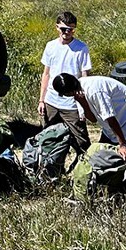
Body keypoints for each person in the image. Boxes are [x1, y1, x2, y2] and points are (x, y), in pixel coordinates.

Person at [50, 72, 126, 162]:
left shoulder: (95, 91)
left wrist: (122, 145)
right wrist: (83, 103)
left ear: (69, 92)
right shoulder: (78, 93)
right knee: (101, 157)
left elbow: (110, 118)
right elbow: (93, 119)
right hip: (111, 126)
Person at [37, 11, 93, 151]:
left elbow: (85, 78)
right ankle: (52, 167)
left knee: (82, 141)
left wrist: (83, 106)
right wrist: (42, 100)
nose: (67, 32)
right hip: (51, 101)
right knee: (49, 137)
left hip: (72, 103)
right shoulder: (50, 46)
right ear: (57, 27)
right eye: (63, 29)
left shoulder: (81, 48)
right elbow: (46, 74)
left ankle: (86, 167)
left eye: (71, 29)